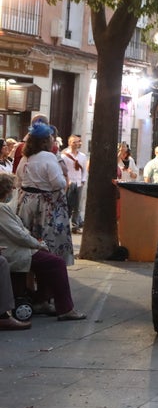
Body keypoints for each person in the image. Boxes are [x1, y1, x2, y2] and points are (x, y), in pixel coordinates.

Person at [0, 172, 85, 321]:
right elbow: (18, 234)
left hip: (19, 247)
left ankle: (41, 300)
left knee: (49, 259)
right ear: (6, 190)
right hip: (15, 250)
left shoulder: (4, 208)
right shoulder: (1, 209)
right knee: (56, 263)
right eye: (12, 188)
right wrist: (37, 245)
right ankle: (65, 308)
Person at [14, 122, 72, 265]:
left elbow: (18, 180)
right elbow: (58, 183)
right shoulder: (48, 157)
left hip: (26, 204)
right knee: (47, 238)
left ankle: (29, 271)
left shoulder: (25, 158)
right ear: (45, 141)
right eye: (51, 137)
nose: (53, 139)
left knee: (28, 237)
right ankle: (49, 266)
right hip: (46, 206)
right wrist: (65, 182)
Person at [60, 134, 88, 232]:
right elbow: (63, 170)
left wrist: (83, 180)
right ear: (69, 143)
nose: (76, 144)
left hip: (79, 182)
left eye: (77, 142)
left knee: (77, 205)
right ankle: (65, 223)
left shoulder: (83, 156)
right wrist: (67, 181)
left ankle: (75, 224)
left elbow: (84, 169)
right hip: (69, 183)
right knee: (67, 203)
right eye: (74, 142)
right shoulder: (64, 156)